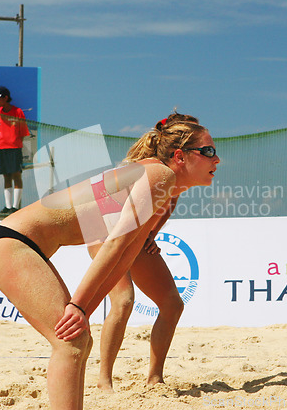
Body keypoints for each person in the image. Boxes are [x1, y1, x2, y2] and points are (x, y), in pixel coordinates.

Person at [0, 117, 219, 410]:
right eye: (208, 151)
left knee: (80, 342)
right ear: (179, 156)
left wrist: (84, 308)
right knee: (72, 343)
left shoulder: (164, 185)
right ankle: (105, 380)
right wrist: (79, 306)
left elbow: (125, 255)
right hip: (12, 244)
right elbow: (115, 243)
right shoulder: (159, 174)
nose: (216, 158)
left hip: (18, 243)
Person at [97, 113, 200, 391]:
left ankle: (155, 379)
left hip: (136, 236)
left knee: (172, 305)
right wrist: (137, 236)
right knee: (123, 301)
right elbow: (110, 212)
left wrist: (151, 235)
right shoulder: (146, 169)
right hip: (107, 232)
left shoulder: (178, 174)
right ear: (180, 150)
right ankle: (103, 381)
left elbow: (168, 206)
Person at [0, 86, 30, 213]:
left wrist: (15, 143)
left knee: (16, 175)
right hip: (0, 148)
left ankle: (15, 207)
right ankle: (7, 206)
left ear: (6, 98)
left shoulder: (18, 112)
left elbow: (23, 132)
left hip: (14, 148)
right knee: (6, 176)